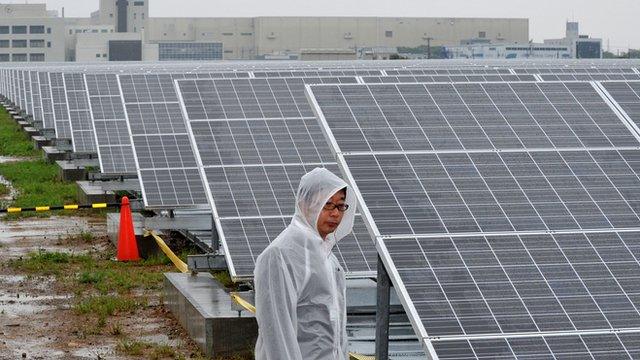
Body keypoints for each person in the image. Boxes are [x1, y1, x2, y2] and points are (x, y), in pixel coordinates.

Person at [254, 167, 357, 360]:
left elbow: (337, 333)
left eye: (340, 205)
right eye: (327, 204)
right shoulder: (279, 256)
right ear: (304, 205)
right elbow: (276, 332)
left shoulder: (330, 260)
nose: (335, 213)